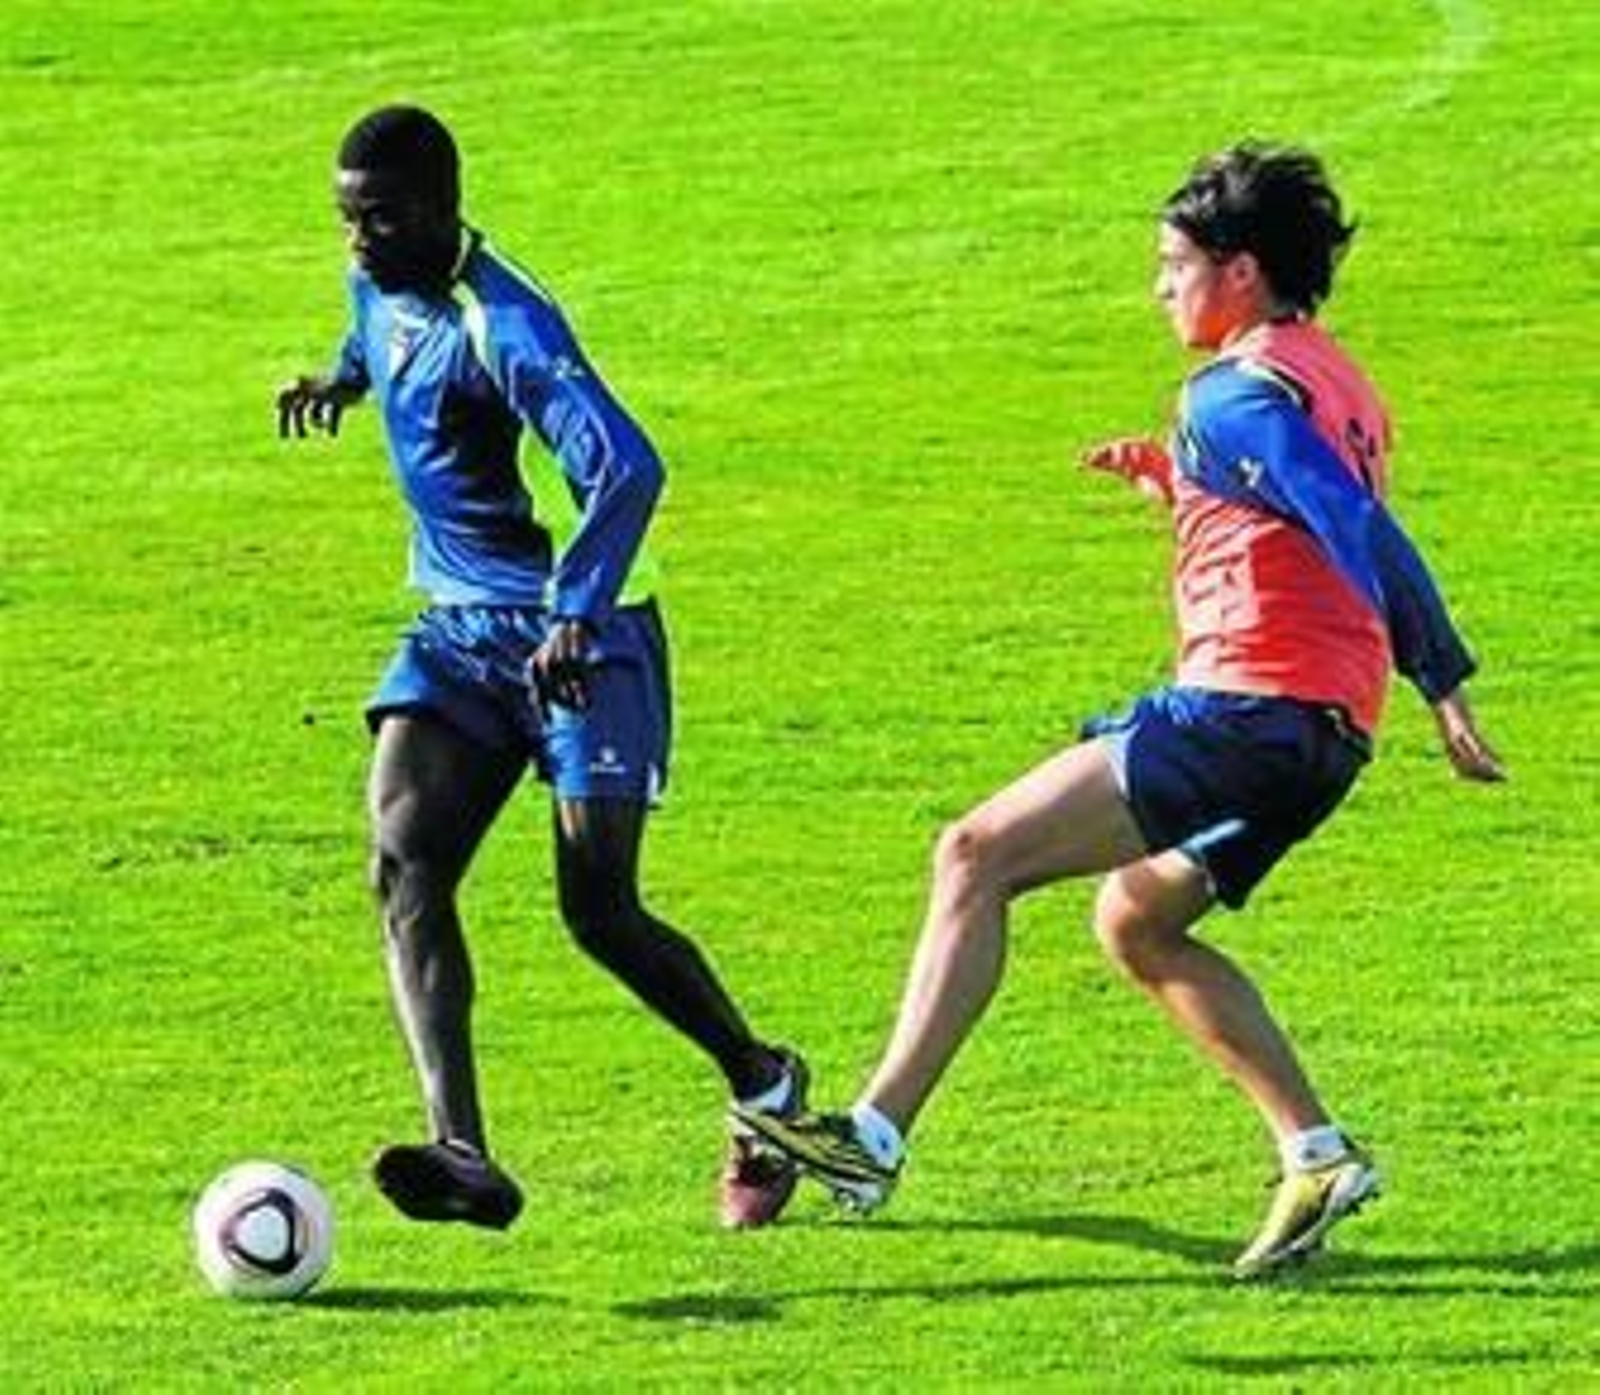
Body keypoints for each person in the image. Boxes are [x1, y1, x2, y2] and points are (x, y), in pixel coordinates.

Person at [737, 142, 1505, 1278]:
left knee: (973, 854)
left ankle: (871, 1139)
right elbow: (1294, 514)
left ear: (1237, 271)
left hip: (1244, 707)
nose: (1157, 287)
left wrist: (1441, 677)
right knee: (1135, 923)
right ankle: (1316, 1153)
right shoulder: (1331, 375)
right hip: (1324, 735)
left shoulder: (1235, 392)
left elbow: (1350, 526)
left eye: (1171, 264)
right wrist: (1182, 482)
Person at [276, 105, 806, 1232]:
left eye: (379, 219)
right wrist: (336, 383)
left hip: (586, 641)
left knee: (599, 910)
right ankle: (462, 1149)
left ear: (442, 207)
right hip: (461, 636)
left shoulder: (509, 327)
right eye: (346, 219)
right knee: (403, 863)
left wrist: (577, 607)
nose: (357, 242)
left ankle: (762, 1081)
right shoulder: (379, 283)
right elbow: (377, 334)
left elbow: (627, 468)